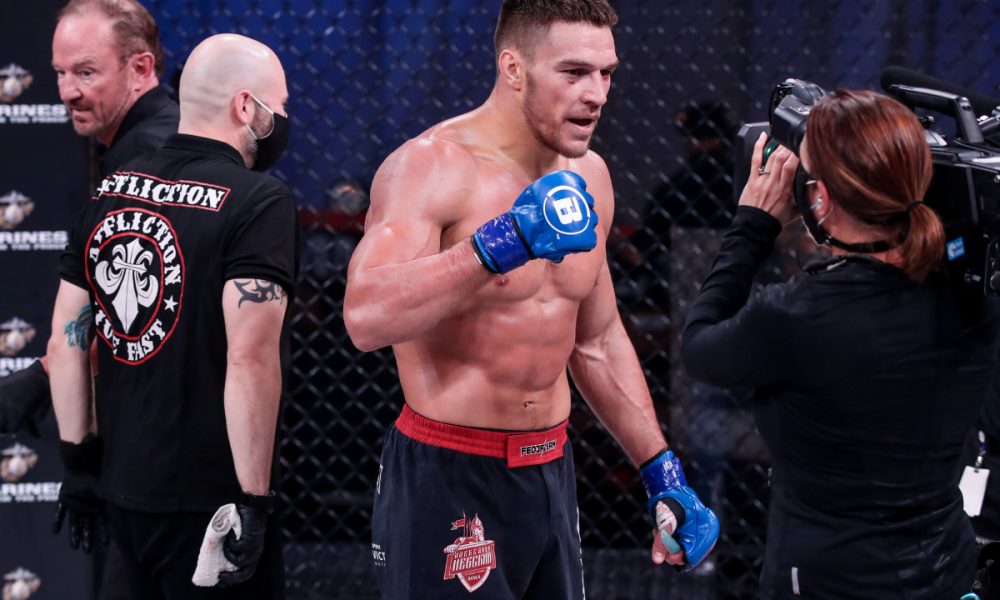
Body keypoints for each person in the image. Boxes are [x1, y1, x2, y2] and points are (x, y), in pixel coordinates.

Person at [343, 1, 718, 597]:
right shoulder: (432, 167)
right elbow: (366, 317)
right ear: (513, 68)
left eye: (606, 73)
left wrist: (661, 470)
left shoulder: (590, 176)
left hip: (551, 469)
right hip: (450, 472)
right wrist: (497, 246)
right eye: (574, 73)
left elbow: (596, 339)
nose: (597, 94)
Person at [681, 89, 998, 598]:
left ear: (821, 199)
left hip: (828, 580)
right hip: (943, 570)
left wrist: (752, 225)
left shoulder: (797, 315)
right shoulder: (974, 297)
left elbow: (699, 347)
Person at [46, 33, 298, 599]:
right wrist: (253, 500)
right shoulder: (260, 201)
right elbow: (250, 357)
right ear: (246, 106)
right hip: (212, 507)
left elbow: (66, 341)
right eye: (279, 105)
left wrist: (79, 465)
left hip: (123, 492)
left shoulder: (112, 188)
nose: (282, 119)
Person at [0, 0, 179, 439]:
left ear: (141, 68)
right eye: (60, 73)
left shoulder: (150, 157)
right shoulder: (148, 141)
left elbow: (141, 314)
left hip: (162, 427)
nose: (67, 92)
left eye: (85, 72)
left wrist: (42, 378)